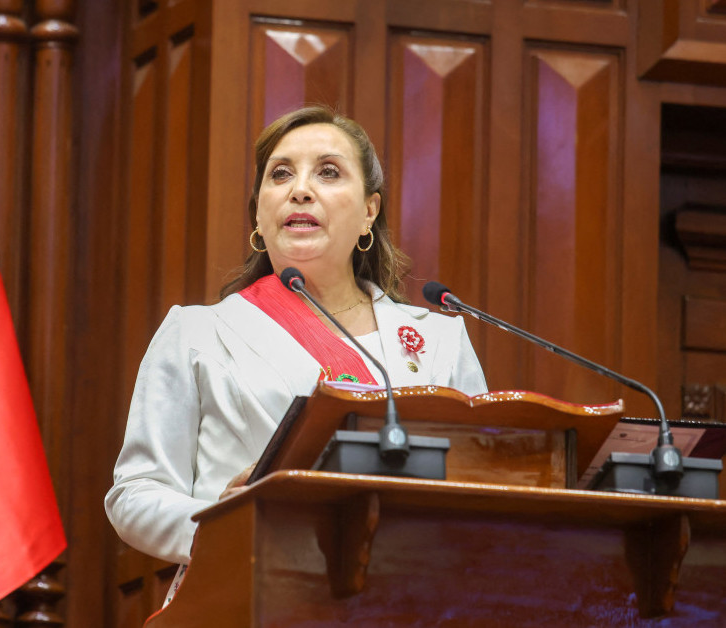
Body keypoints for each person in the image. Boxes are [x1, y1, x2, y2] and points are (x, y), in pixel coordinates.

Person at [104, 106, 488, 572]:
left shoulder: (440, 340)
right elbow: (135, 493)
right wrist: (224, 521)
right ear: (259, 214)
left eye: (328, 172)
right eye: (280, 174)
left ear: (370, 211)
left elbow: (479, 482)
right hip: (248, 592)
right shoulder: (197, 333)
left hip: (412, 595)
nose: (300, 190)